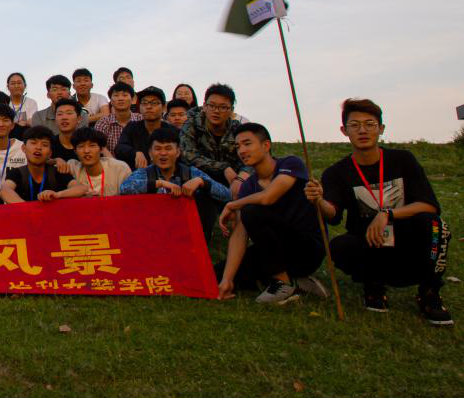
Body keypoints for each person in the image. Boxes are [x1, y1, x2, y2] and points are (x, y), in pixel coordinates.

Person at [309, 99, 452, 324]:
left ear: (381, 128)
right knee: (339, 246)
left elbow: (429, 205)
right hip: (369, 241)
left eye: (370, 124)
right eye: (354, 125)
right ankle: (373, 285)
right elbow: (333, 215)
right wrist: (318, 200)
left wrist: (387, 214)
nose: (362, 130)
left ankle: (429, 292)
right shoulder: (336, 172)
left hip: (407, 237)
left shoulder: (403, 160)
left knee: (436, 225)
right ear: (344, 131)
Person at [216, 123, 328, 305]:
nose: (241, 151)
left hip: (306, 249)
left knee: (252, 210)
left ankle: (282, 282)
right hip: (272, 250)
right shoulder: (248, 185)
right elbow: (240, 234)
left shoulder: (290, 164)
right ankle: (299, 282)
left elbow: (268, 197)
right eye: (237, 146)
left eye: (247, 144)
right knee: (219, 275)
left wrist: (232, 204)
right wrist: (227, 279)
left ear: (266, 145)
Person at [119, 125, 230, 236]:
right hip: (152, 231)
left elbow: (227, 195)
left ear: (178, 152)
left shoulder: (190, 172)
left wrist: (202, 182)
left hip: (187, 232)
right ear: (150, 153)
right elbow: (124, 188)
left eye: (168, 148)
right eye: (158, 149)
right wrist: (159, 183)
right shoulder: (144, 173)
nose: (163, 153)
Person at [180, 83, 244, 187]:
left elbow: (252, 156)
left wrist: (243, 175)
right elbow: (188, 156)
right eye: (212, 106)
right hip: (200, 183)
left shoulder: (237, 129)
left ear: (231, 110)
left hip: (235, 181)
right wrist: (223, 167)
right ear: (204, 106)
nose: (216, 111)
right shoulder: (191, 125)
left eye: (223, 107)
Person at [2, 126, 86, 203]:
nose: (38, 147)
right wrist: (28, 210)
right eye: (33, 143)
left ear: (50, 153)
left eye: (44, 144)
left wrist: (57, 195)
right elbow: (4, 191)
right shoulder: (17, 172)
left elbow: (81, 188)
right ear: (23, 148)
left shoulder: (56, 172)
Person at [65, 127, 132, 198]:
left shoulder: (120, 169)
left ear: (101, 149)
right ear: (75, 151)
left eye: (92, 145)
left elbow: (130, 198)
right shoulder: (72, 168)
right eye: (81, 146)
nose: (86, 151)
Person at [115, 86, 169, 169]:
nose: (149, 106)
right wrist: (136, 153)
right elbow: (119, 148)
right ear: (139, 107)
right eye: (144, 103)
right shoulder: (132, 127)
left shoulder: (171, 131)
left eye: (154, 103)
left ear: (164, 107)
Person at [93, 81, 142, 154]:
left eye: (125, 95)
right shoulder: (103, 122)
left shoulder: (141, 119)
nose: (120, 98)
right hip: (110, 160)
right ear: (111, 101)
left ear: (132, 100)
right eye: (116, 95)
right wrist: (114, 161)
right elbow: (100, 147)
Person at [48, 98, 85, 163]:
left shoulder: (87, 142)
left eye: (69, 113)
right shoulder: (50, 144)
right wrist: (53, 161)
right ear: (55, 119)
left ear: (79, 119)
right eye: (60, 114)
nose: (64, 117)